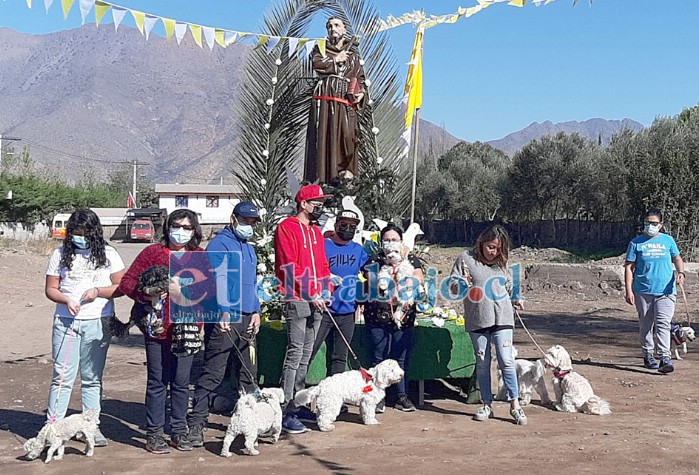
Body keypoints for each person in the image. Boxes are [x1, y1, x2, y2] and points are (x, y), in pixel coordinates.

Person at [119, 209, 205, 454]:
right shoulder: (152, 253)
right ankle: (154, 433)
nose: (181, 231)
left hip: (186, 329)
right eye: (176, 225)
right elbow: (127, 282)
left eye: (187, 227)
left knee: (181, 382)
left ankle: (179, 430)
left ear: (194, 230)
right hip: (156, 328)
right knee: (158, 381)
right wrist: (146, 293)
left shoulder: (200, 256)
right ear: (167, 227)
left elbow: (210, 290)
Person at [43, 208, 125, 448]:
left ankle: (91, 425)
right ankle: (53, 426)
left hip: (98, 322)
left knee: (91, 378)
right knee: (62, 376)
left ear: (95, 232)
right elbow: (50, 288)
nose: (79, 237)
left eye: (84, 232)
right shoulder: (60, 255)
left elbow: (121, 286)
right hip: (66, 323)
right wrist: (65, 300)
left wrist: (98, 291)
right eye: (75, 232)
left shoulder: (109, 254)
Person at [187, 202, 262, 448]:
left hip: (246, 318)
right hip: (225, 319)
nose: (249, 225)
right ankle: (197, 424)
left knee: (248, 374)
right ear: (233, 219)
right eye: (245, 220)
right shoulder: (220, 244)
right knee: (213, 373)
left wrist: (257, 311)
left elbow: (252, 284)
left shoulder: (249, 249)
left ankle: (251, 423)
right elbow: (217, 279)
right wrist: (224, 311)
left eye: (252, 222)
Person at [450, 225, 527, 425]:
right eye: (491, 247)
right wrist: (461, 283)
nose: (493, 252)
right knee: (483, 362)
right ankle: (486, 403)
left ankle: (515, 405)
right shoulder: (466, 259)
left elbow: (510, 287)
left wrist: (516, 299)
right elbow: (453, 287)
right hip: (478, 318)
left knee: (506, 360)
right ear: (481, 243)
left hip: (503, 318)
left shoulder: (503, 264)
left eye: (498, 248)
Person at [274, 184, 333, 433]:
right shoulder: (287, 227)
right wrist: (312, 292)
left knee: (308, 353)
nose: (320, 207)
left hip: (317, 299)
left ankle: (298, 402)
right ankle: (286, 409)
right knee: (296, 352)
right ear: (304, 204)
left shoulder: (316, 232)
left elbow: (322, 264)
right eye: (317, 203)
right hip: (296, 296)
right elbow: (289, 265)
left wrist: (326, 289)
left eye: (322, 203)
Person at [310, 209, 369, 411]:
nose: (348, 229)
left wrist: (362, 299)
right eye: (344, 224)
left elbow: (369, 274)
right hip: (322, 310)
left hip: (347, 312)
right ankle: (294, 399)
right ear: (336, 225)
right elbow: (312, 270)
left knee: (339, 358)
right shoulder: (324, 246)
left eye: (353, 226)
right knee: (308, 353)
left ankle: (333, 401)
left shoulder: (359, 250)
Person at [362, 223, 423, 412]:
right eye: (387, 239)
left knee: (400, 357)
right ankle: (375, 397)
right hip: (377, 314)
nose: (390, 243)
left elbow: (418, 276)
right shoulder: (374, 259)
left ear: (401, 241)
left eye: (394, 239)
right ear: (381, 242)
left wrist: (403, 288)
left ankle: (401, 396)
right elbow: (371, 280)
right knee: (378, 356)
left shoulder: (410, 258)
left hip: (403, 315)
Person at [304, 16, 366, 184]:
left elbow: (360, 79)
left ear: (344, 30)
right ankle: (327, 181)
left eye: (337, 25)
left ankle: (347, 175)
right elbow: (316, 63)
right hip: (327, 103)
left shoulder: (353, 55)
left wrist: (361, 94)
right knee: (327, 138)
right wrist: (335, 59)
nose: (333, 29)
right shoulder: (321, 49)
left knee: (348, 137)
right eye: (330, 26)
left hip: (346, 104)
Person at [624, 209, 684, 374]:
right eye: (647, 223)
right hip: (643, 291)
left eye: (653, 223)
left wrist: (681, 272)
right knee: (646, 324)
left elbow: (677, 258)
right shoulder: (636, 243)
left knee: (663, 323)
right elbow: (629, 267)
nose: (650, 226)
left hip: (666, 290)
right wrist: (628, 290)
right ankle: (648, 354)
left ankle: (665, 357)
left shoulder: (668, 241)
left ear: (661, 225)